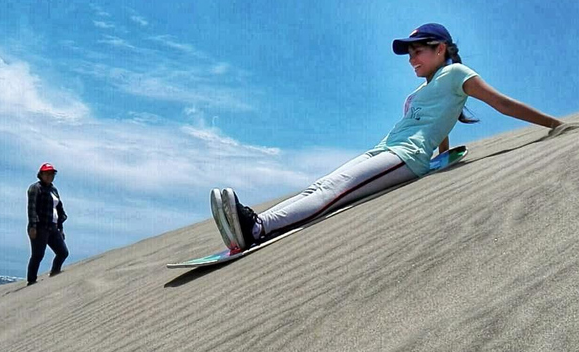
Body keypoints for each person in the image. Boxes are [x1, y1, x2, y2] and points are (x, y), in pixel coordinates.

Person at [212, 23, 564, 252]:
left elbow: (500, 102)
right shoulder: (417, 93)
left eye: (418, 50)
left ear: (440, 48)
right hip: (384, 150)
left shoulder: (457, 73)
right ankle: (254, 222)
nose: (412, 58)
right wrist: (443, 152)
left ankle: (257, 228)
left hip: (405, 157)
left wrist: (553, 124)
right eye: (409, 54)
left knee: (335, 193)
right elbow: (438, 120)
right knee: (321, 186)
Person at [26, 163, 69, 285]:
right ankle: (31, 281)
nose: (50, 176)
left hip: (53, 227)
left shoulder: (53, 190)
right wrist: (33, 226)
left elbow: (59, 209)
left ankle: (55, 274)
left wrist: (61, 228)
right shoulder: (35, 188)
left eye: (52, 174)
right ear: (41, 174)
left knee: (63, 252)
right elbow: (32, 208)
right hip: (40, 227)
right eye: (47, 173)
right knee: (38, 254)